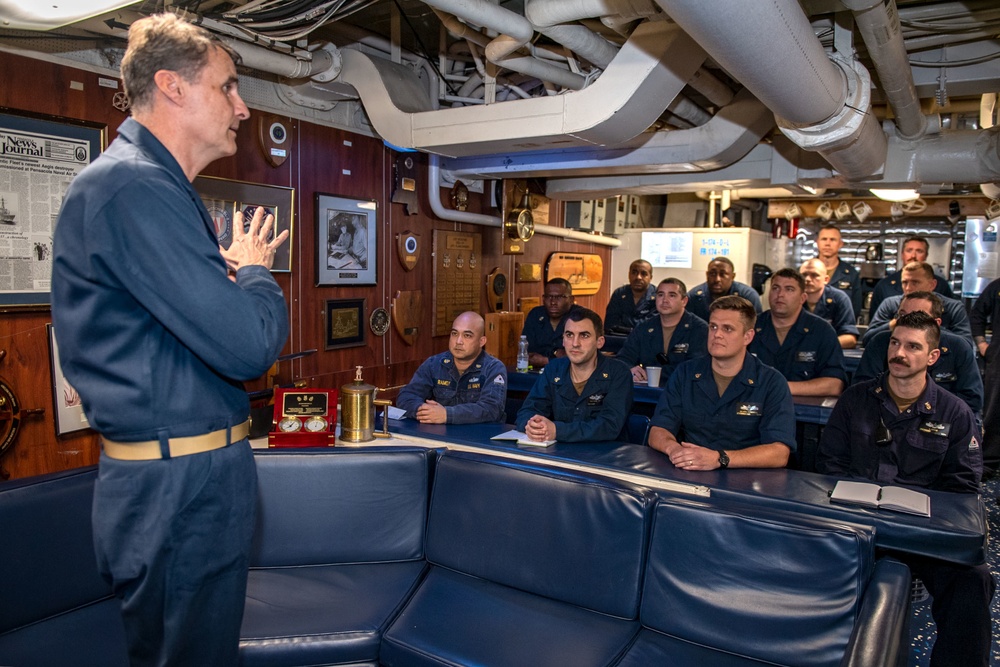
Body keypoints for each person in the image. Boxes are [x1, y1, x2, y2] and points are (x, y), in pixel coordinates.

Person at [50, 14, 290, 667]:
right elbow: (247, 346)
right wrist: (258, 272)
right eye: (229, 87)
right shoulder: (133, 186)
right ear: (173, 88)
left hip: (184, 480)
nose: (243, 107)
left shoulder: (155, 190)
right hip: (179, 490)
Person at [817, 312, 994, 667]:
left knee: (973, 580)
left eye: (913, 346)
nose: (899, 353)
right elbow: (829, 464)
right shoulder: (855, 401)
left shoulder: (954, 413)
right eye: (895, 343)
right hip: (856, 523)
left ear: (932, 357)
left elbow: (962, 486)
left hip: (921, 533)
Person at [647, 295, 796, 470]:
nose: (717, 334)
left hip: (746, 479)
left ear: (748, 336)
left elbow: (779, 453)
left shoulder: (771, 381)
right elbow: (658, 430)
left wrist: (720, 458)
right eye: (713, 327)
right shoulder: (685, 373)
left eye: (727, 329)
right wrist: (676, 451)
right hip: (689, 469)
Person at [516, 308, 633, 442]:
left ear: (599, 342)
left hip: (605, 456)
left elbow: (609, 426)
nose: (575, 343)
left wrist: (558, 431)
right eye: (569, 335)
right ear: (563, 340)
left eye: (584, 335)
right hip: (558, 453)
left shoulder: (618, 373)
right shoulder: (554, 369)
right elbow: (528, 411)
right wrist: (533, 426)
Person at [856, 291, 982, 415]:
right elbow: (862, 392)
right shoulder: (880, 342)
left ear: (936, 324)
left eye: (918, 318)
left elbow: (972, 399)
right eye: (902, 316)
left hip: (941, 422)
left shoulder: (957, 347)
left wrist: (920, 410)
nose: (907, 323)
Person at [748, 268, 846, 397]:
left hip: (804, 412)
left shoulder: (821, 331)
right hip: (754, 407)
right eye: (775, 288)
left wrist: (779, 387)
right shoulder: (751, 326)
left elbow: (835, 384)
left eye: (789, 289)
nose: (780, 294)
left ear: (802, 298)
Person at [396, 311, 507, 424]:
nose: (458, 341)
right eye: (454, 334)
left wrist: (447, 414)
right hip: (439, 435)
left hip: (478, 436)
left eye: (467, 336)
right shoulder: (434, 364)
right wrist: (425, 411)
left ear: (481, 341)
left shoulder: (493, 368)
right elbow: (406, 396)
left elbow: (492, 408)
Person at [616, 277, 708, 386]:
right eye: (660, 295)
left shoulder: (699, 329)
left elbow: (695, 367)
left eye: (672, 295)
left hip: (685, 391)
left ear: (684, 301)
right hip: (646, 392)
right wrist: (631, 369)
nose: (665, 300)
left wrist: (653, 373)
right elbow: (623, 358)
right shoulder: (644, 327)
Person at [863, 261, 971, 346]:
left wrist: (929, 326)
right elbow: (867, 340)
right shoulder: (890, 304)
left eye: (915, 282)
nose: (909, 288)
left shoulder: (953, 308)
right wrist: (893, 325)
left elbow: (966, 344)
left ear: (932, 285)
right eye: (905, 282)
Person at [868, 236, 956, 316]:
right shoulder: (884, 285)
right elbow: (874, 325)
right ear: (902, 254)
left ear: (926, 255)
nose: (913, 256)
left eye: (919, 251)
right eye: (909, 250)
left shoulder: (941, 285)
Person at [971, 276, 1000, 473]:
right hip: (998, 358)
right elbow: (977, 315)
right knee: (994, 411)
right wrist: (982, 345)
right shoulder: (997, 287)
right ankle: (988, 463)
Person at [520, 278, 581, 368]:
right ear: (543, 299)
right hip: (536, 372)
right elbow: (528, 354)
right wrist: (556, 353)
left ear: (571, 300)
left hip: (571, 373)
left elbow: (580, 356)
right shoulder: (536, 315)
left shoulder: (581, 316)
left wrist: (547, 360)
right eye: (549, 297)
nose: (553, 302)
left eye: (559, 297)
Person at [799, 257, 858, 348]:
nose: (808, 279)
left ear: (826, 279)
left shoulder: (839, 299)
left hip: (827, 355)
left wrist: (819, 346)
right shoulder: (792, 299)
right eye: (804, 275)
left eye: (814, 275)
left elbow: (850, 338)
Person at [686, 256, 763, 322]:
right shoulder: (694, 296)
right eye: (712, 274)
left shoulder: (747, 296)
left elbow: (756, 327)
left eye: (723, 274)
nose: (717, 279)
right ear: (707, 274)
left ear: (732, 276)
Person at [815, 225, 861, 318]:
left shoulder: (851, 274)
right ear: (817, 242)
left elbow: (855, 309)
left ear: (840, 244)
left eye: (832, 240)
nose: (827, 243)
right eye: (824, 239)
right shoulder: (804, 272)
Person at [604, 259, 656, 334]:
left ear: (650, 277)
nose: (638, 277)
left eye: (644, 274)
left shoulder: (658, 295)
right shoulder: (619, 293)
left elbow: (651, 326)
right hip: (619, 339)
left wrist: (624, 323)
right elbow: (610, 324)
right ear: (629, 275)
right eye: (634, 273)